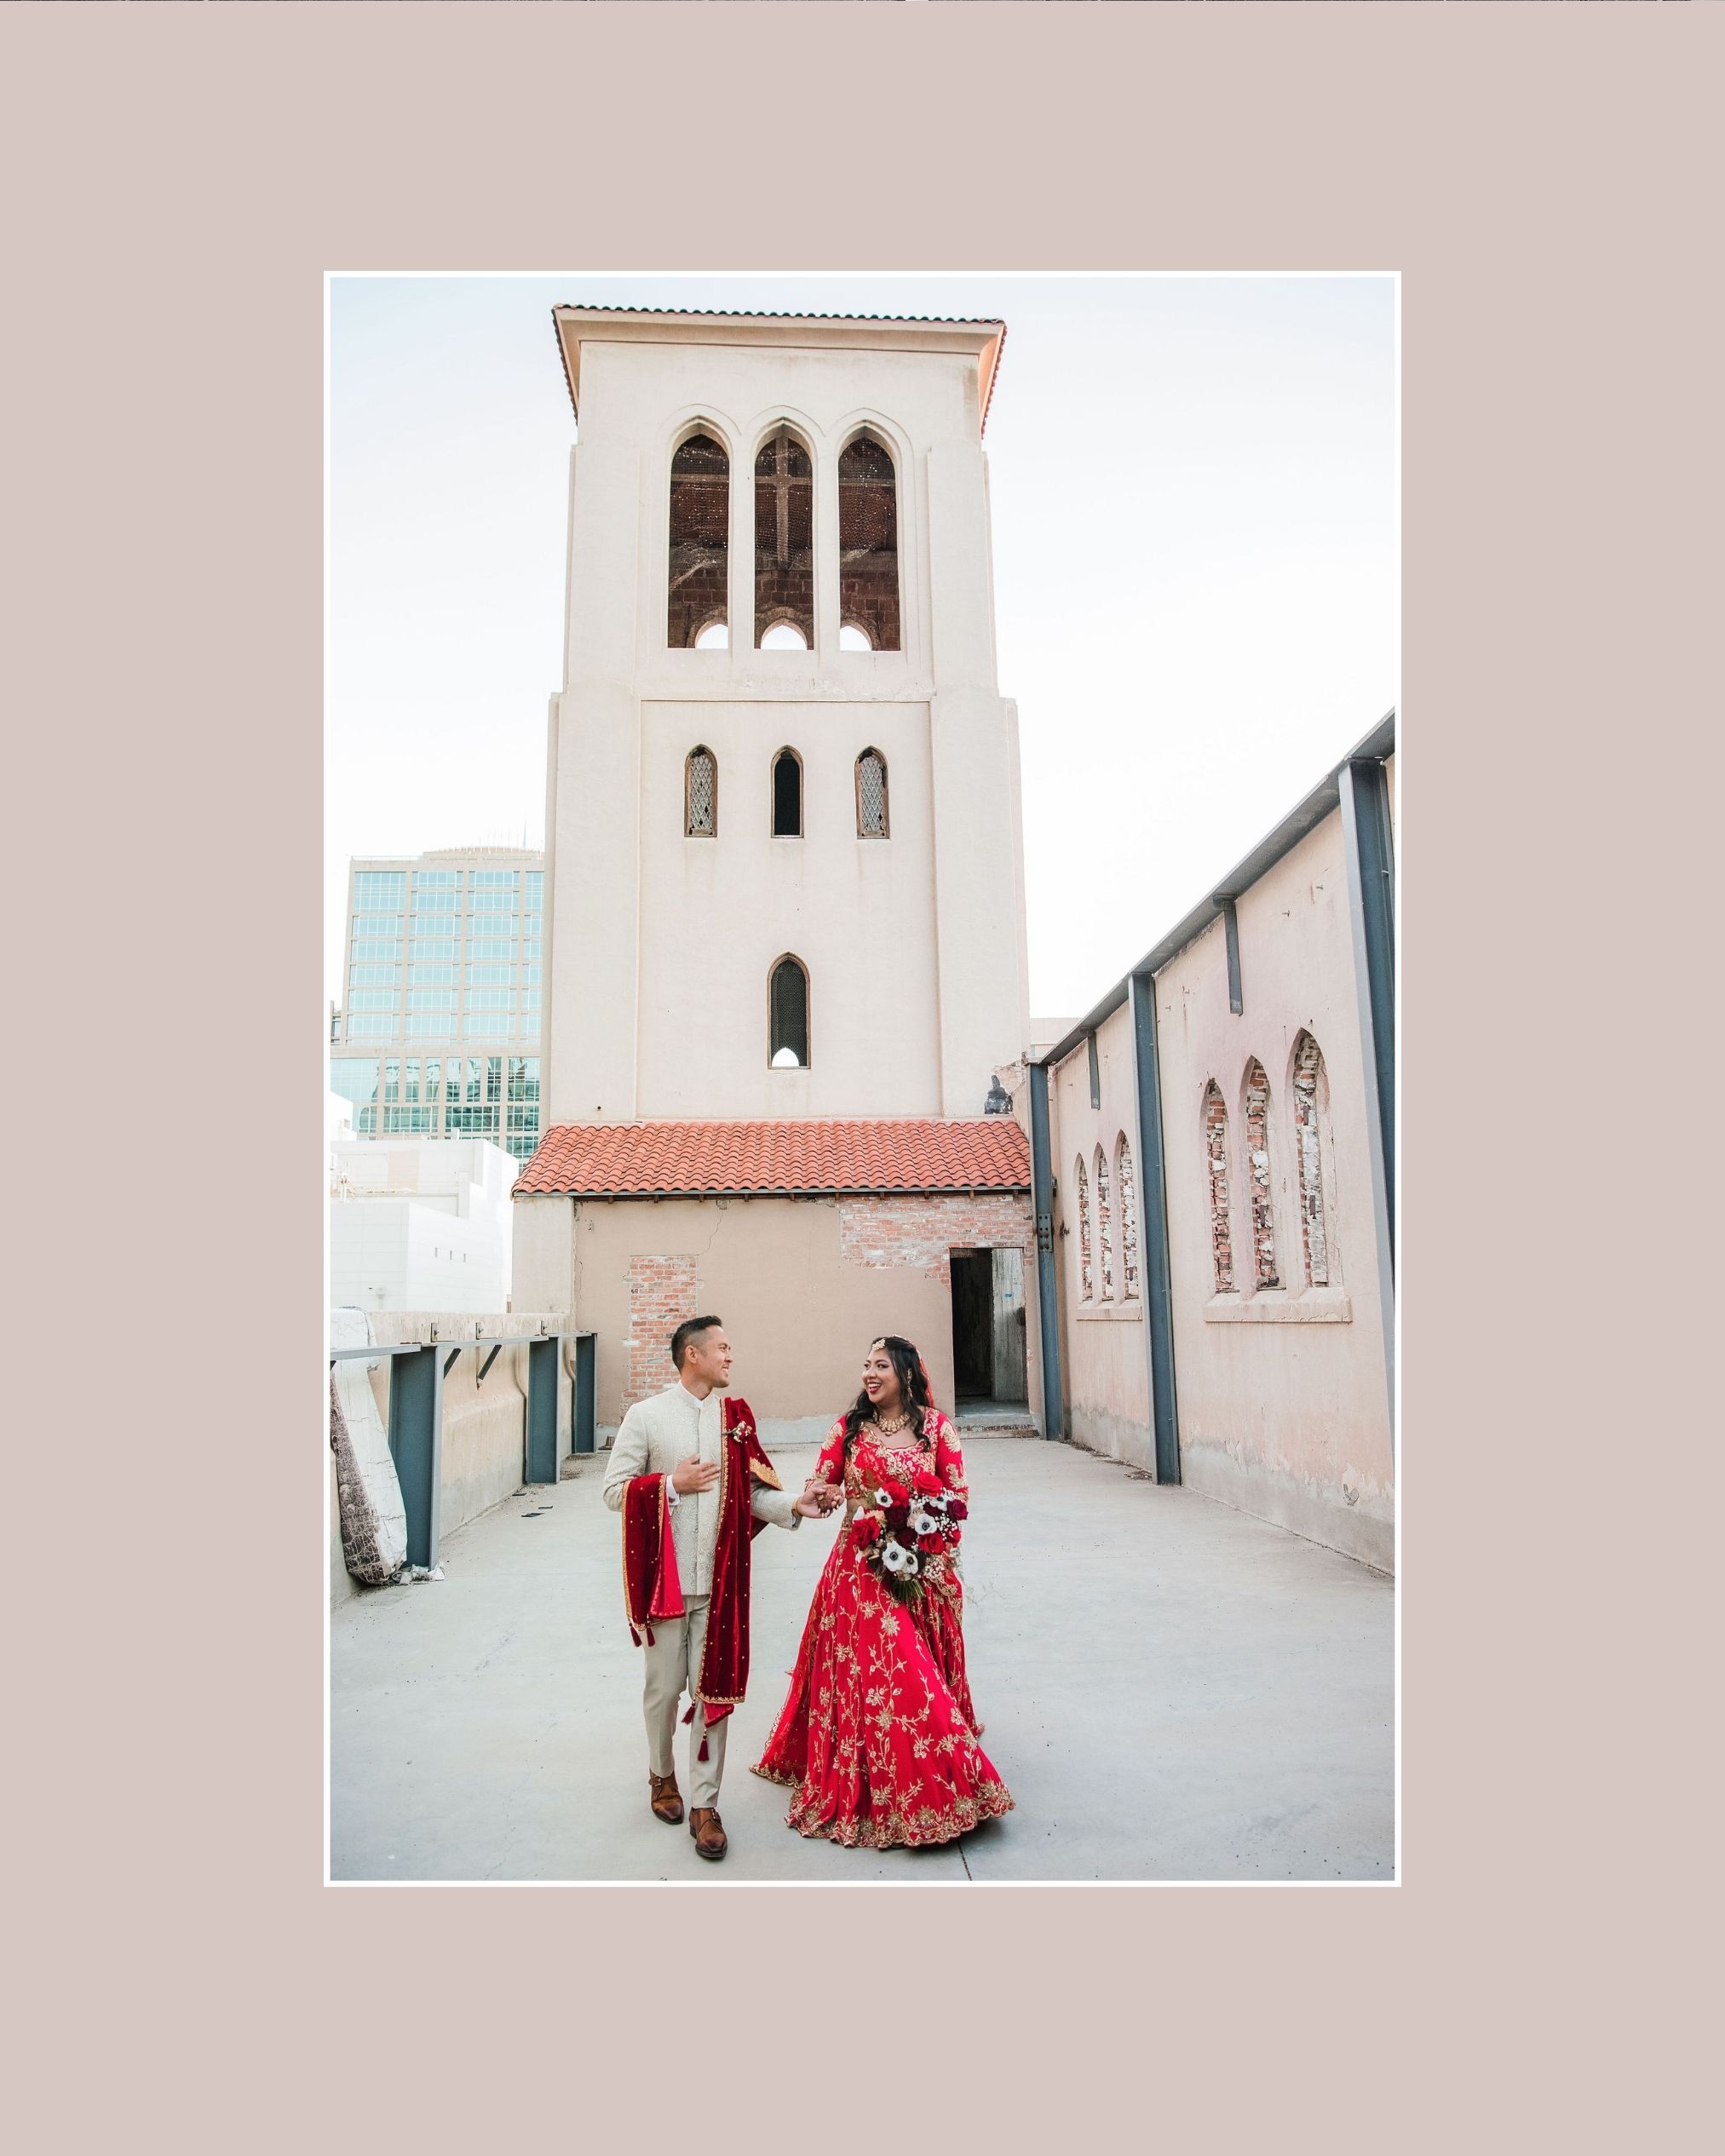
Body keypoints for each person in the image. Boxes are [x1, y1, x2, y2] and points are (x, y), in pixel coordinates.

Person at [752, 1335, 1015, 1848]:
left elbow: (957, 1498)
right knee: (896, 1668)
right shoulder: (847, 1430)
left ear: (907, 1374)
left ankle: (934, 1777)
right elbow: (822, 1484)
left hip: (923, 1562)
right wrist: (820, 1496)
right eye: (865, 1366)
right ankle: (929, 1787)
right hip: (858, 1566)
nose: (870, 1375)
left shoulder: (937, 1429)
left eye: (881, 1366)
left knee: (913, 1669)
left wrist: (922, 1532)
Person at [603, 1315, 841, 1862]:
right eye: (722, 1347)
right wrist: (670, 1484)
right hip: (665, 1586)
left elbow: (751, 1496)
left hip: (720, 1586)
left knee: (714, 1696)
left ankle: (705, 1806)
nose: (731, 1356)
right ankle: (662, 1775)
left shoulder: (735, 1419)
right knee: (663, 1693)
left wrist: (793, 1506)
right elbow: (616, 1493)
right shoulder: (647, 1416)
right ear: (692, 1355)